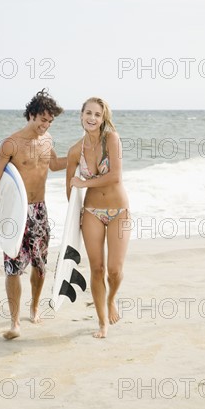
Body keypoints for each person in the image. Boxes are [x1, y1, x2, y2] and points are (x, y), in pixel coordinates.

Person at [0, 89, 66, 340]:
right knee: (13, 266)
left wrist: (77, 158)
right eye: (43, 119)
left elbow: (53, 165)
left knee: (41, 266)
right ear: (31, 115)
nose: (46, 125)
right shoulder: (11, 143)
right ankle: (15, 322)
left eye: (50, 121)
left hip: (40, 210)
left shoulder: (48, 140)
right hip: (15, 211)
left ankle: (34, 306)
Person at [66, 97, 130, 338]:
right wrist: (74, 220)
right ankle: (102, 322)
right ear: (81, 115)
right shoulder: (75, 151)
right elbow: (70, 191)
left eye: (97, 115)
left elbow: (115, 176)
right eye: (88, 113)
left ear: (104, 119)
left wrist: (85, 182)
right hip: (91, 212)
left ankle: (112, 298)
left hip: (119, 212)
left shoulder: (111, 139)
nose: (92, 118)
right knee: (96, 269)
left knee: (114, 270)